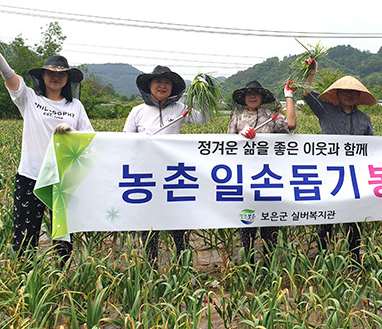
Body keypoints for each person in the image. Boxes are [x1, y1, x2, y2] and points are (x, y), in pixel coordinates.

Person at [0, 22, 93, 263]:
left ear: (68, 79)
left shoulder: (75, 107)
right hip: (31, 175)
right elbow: (6, 71)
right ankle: (24, 280)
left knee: (64, 236)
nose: (56, 77)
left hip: (63, 179)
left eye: (61, 74)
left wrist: (70, 133)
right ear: (42, 76)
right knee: (25, 235)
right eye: (51, 72)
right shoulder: (28, 97)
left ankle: (62, 280)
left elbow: (89, 140)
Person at [123, 65, 209, 268]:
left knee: (179, 223)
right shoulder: (138, 111)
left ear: (173, 88)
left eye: (167, 83)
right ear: (149, 86)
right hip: (147, 176)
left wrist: (204, 91)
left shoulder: (180, 109)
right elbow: (125, 141)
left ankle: (183, 267)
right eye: (158, 82)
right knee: (149, 225)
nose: (162, 86)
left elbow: (203, 118)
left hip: (173, 176)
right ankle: (150, 268)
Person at [302, 61, 376, 262]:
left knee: (354, 219)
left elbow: (372, 148)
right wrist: (312, 71)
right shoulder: (325, 111)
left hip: (355, 176)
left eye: (353, 92)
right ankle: (324, 258)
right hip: (329, 174)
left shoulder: (365, 119)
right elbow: (306, 94)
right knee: (326, 218)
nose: (349, 95)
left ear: (359, 96)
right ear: (338, 94)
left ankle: (354, 259)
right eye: (344, 91)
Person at [228, 80, 297, 264]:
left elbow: (291, 125)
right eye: (248, 93)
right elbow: (227, 147)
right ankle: (249, 270)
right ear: (243, 97)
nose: (252, 96)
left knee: (269, 229)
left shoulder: (271, 117)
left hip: (267, 178)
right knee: (247, 230)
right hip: (245, 180)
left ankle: (269, 270)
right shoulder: (237, 118)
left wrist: (289, 96)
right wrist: (240, 139)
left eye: (256, 93)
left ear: (262, 97)